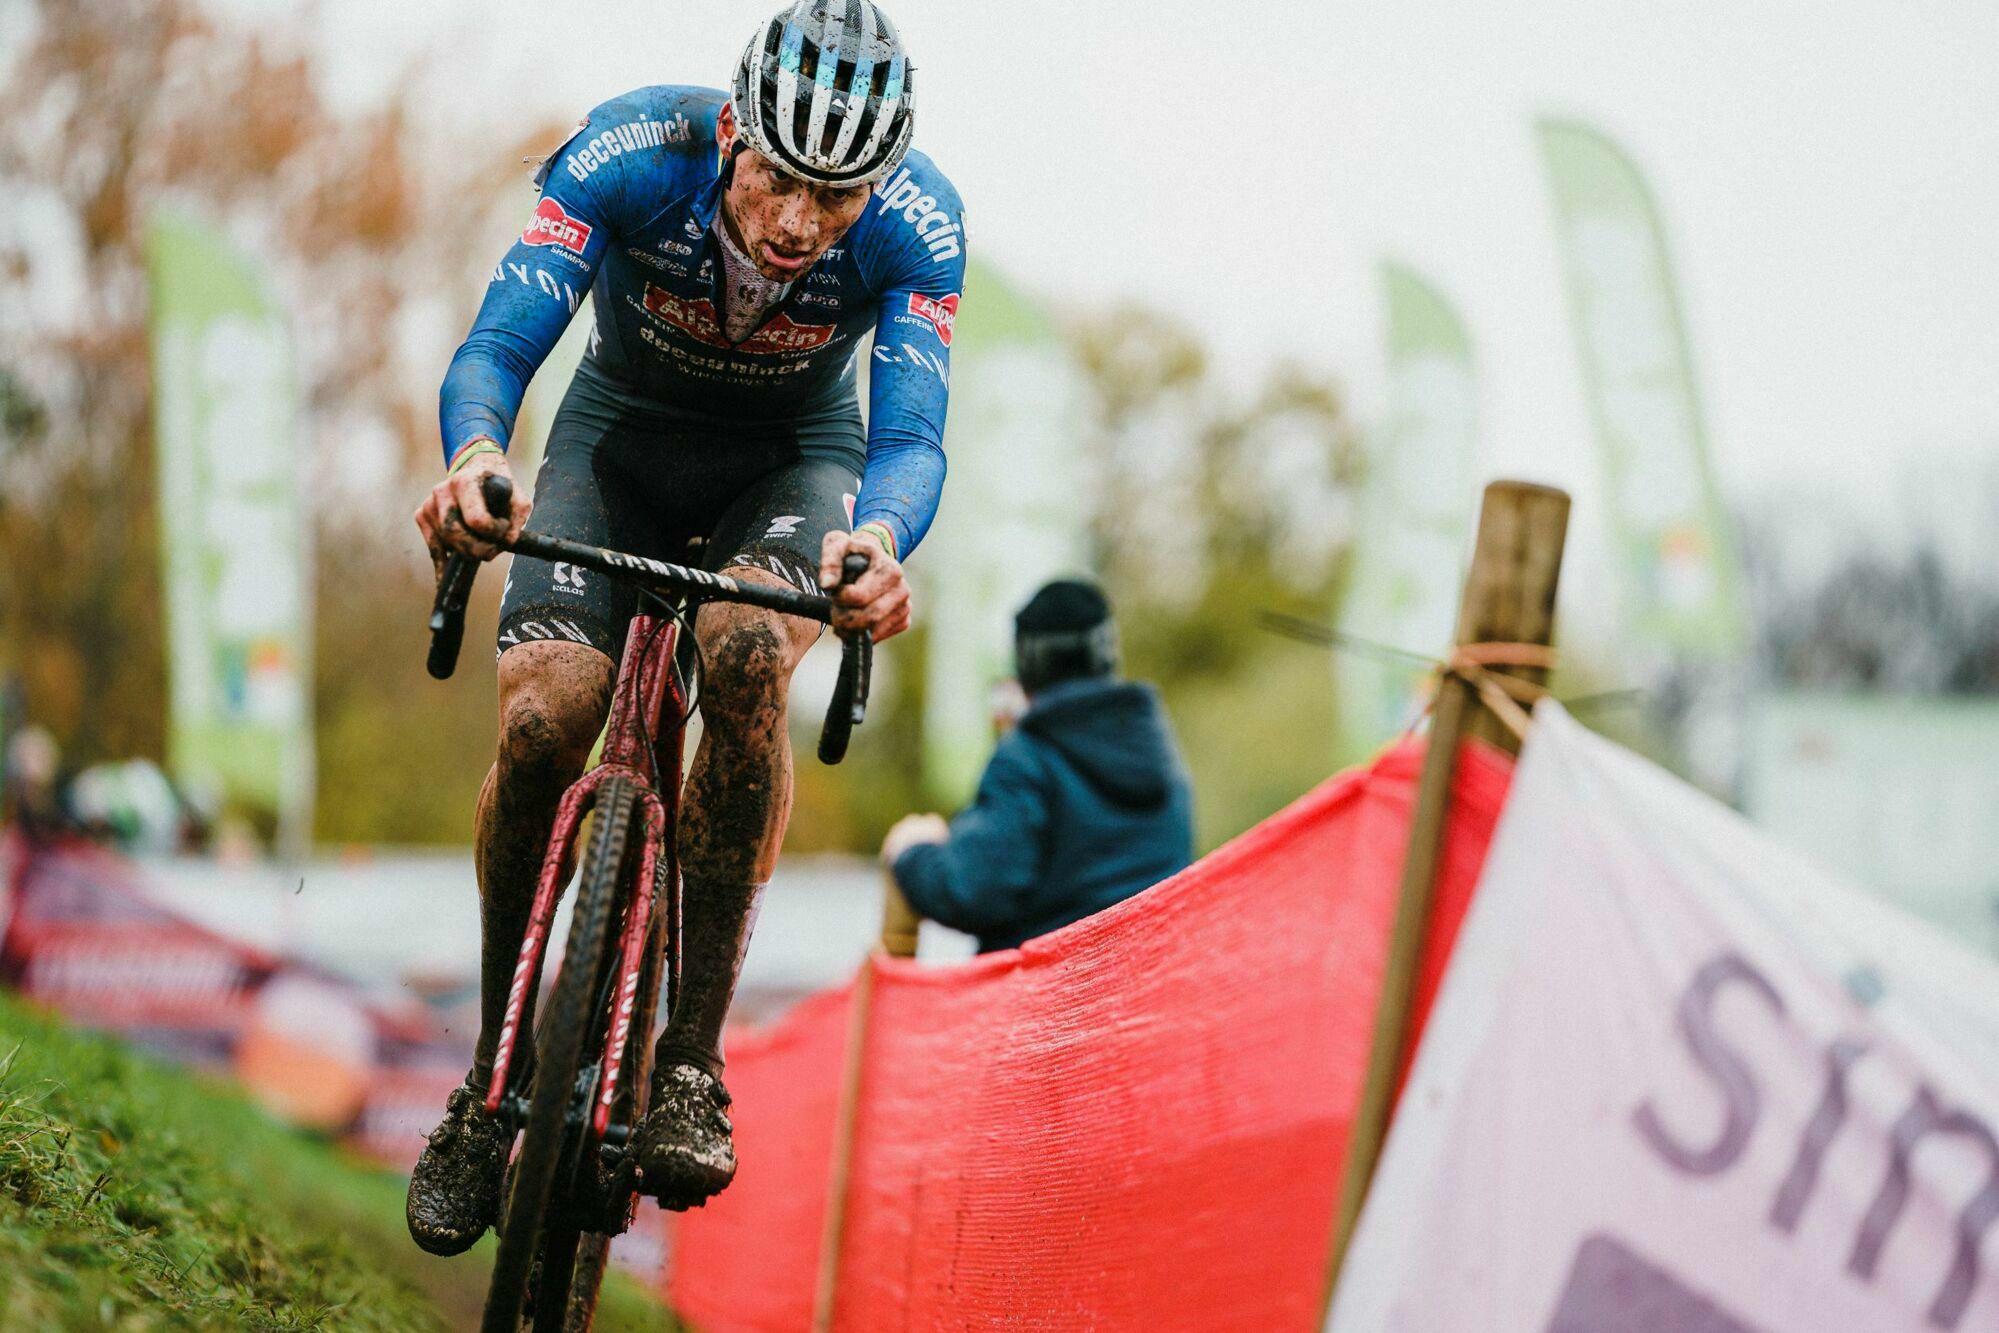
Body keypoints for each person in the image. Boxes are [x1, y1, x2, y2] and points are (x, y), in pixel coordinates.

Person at [405, 0, 964, 1255]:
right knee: (545, 716)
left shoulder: (922, 224)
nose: (797, 222)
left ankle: (693, 1063)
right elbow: (499, 343)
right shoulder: (629, 151)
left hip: (789, 467)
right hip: (616, 445)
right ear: (730, 135)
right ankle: (489, 1084)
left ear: (877, 186)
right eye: (778, 178)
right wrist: (478, 459)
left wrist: (877, 543)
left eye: (836, 197)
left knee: (749, 656)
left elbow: (910, 435)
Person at [882, 580, 1195, 954]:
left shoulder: (1026, 758)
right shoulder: (1162, 753)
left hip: (1054, 990)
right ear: (1107, 654)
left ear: (1027, 663)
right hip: (1147, 983)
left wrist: (911, 852)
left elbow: (969, 891)